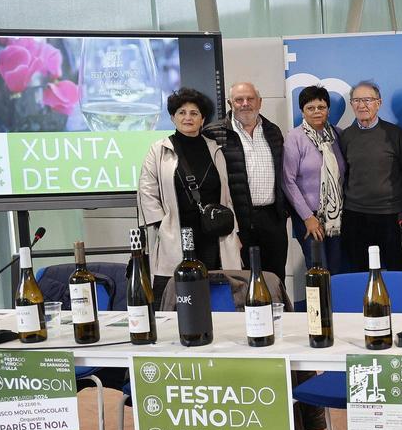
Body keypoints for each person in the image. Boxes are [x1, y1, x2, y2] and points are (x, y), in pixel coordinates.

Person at [138, 87, 241, 303]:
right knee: (176, 293)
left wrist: (235, 231)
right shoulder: (159, 150)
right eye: (181, 112)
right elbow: (147, 190)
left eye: (194, 113)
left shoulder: (215, 149)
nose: (187, 118)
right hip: (176, 231)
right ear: (173, 117)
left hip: (212, 233)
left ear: (202, 118)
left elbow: (227, 195)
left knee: (215, 290)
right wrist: (161, 224)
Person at [203, 81, 288, 280]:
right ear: (230, 103)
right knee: (242, 281)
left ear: (260, 102)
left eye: (250, 99)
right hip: (238, 221)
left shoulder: (273, 131)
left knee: (275, 278)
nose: (245, 103)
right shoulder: (213, 133)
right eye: (239, 99)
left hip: (272, 219)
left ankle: (277, 311)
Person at [336, 79, 402, 272]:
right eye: (357, 100)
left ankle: (398, 304)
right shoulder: (345, 137)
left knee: (397, 271)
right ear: (351, 104)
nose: (362, 105)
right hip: (356, 216)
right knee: (359, 272)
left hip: (391, 216)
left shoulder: (395, 135)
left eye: (368, 100)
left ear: (378, 103)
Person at [282, 85, 345, 271]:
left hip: (336, 218)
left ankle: (336, 302)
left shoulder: (337, 135)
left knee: (336, 269)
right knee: (318, 270)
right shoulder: (294, 137)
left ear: (328, 109)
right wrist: (307, 217)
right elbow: (287, 181)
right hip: (310, 219)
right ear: (302, 111)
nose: (316, 111)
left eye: (321, 107)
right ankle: (318, 302)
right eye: (310, 108)